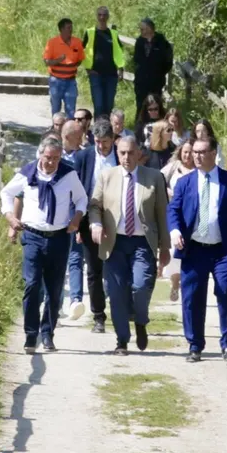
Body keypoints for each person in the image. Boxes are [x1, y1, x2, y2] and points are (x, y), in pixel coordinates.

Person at [168, 136, 227, 363]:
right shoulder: (184, 183)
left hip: (221, 250)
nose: (197, 156)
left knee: (225, 290)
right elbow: (173, 211)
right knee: (192, 297)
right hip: (194, 249)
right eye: (194, 152)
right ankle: (195, 345)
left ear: (214, 153)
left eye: (202, 152)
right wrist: (175, 231)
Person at [1, 136, 88, 354]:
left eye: (56, 158)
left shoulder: (68, 174)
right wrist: (10, 217)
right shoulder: (28, 173)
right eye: (48, 158)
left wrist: (77, 218)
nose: (51, 163)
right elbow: (7, 192)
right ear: (41, 155)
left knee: (54, 288)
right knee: (31, 284)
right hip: (32, 236)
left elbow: (81, 199)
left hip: (59, 237)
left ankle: (48, 333)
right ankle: (31, 335)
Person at [89, 135, 171, 355]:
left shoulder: (153, 177)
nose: (126, 157)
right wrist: (95, 223)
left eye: (130, 153)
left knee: (141, 286)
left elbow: (162, 214)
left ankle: (141, 321)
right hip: (114, 242)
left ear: (139, 154)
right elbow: (94, 205)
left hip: (142, 243)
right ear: (117, 153)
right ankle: (122, 340)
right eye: (122, 153)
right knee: (116, 293)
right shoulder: (106, 176)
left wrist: (165, 247)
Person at [68, 119, 118, 331]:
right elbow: (76, 192)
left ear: (113, 140)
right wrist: (78, 225)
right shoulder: (83, 157)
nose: (101, 146)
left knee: (117, 268)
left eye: (105, 142)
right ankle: (99, 316)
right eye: (97, 141)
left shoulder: (123, 155)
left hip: (118, 219)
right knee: (94, 270)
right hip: (89, 219)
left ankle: (122, 310)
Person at [161, 139, 196, 302]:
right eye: (185, 152)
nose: (188, 155)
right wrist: (168, 191)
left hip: (192, 216)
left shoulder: (199, 170)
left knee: (190, 251)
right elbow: (158, 178)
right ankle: (175, 282)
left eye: (191, 152)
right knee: (174, 251)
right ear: (181, 152)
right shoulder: (174, 167)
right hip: (174, 214)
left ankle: (188, 284)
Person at [82, 6, 126, 118]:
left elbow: (119, 52)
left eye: (104, 15)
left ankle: (107, 131)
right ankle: (98, 131)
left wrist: (120, 68)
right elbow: (82, 51)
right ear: (96, 16)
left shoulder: (113, 33)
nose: (102, 17)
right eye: (100, 15)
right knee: (98, 105)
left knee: (109, 105)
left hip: (111, 75)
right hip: (95, 74)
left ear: (108, 16)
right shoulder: (90, 32)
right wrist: (88, 69)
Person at [132, 18, 173, 118]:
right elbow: (136, 59)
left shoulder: (162, 42)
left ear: (150, 29)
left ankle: (156, 126)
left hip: (156, 81)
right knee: (141, 105)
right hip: (141, 81)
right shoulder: (139, 42)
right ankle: (140, 127)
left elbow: (168, 61)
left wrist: (159, 73)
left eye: (143, 29)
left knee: (155, 105)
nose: (141, 31)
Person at [44, 18, 83, 117]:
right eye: (68, 28)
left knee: (71, 111)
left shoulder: (77, 42)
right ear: (61, 29)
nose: (71, 30)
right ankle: (55, 130)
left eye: (71, 27)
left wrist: (71, 67)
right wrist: (58, 60)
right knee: (56, 109)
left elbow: (80, 59)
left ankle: (69, 131)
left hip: (71, 81)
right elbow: (46, 62)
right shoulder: (52, 43)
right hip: (56, 81)